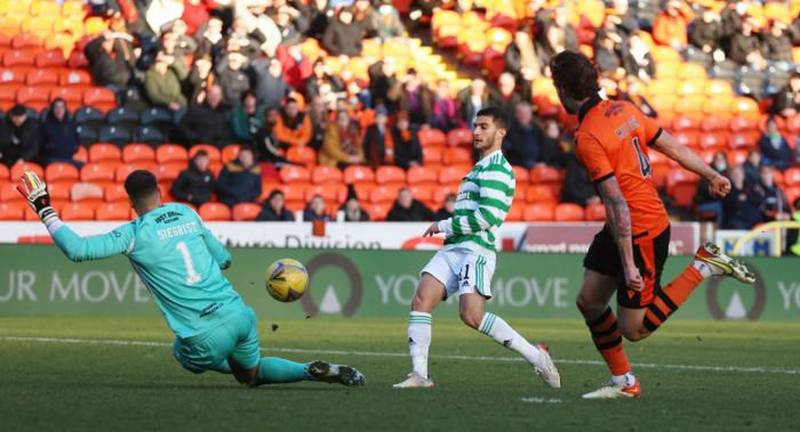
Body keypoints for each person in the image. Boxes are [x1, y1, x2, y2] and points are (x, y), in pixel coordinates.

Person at [16, 169, 365, 388]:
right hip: (240, 315)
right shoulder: (187, 212)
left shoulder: (134, 233)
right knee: (251, 374)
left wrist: (45, 209)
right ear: (160, 192)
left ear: (130, 203)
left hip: (201, 336)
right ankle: (309, 370)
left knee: (180, 354)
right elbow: (225, 260)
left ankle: (249, 361)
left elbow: (77, 250)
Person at [550, 51, 754, 399]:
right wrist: (711, 174)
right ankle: (624, 382)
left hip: (640, 228)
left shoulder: (587, 136)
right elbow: (671, 146)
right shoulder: (625, 109)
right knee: (589, 301)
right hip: (624, 225)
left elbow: (615, 201)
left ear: (565, 89)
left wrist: (628, 262)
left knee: (634, 329)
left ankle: (702, 266)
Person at [393, 107, 560, 389]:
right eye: (475, 126)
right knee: (421, 299)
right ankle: (420, 375)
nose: (476, 132)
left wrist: (444, 224)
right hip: (453, 249)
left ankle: (536, 356)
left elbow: (487, 218)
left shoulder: (497, 169)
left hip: (476, 250)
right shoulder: (479, 167)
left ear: (501, 132)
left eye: (484, 126)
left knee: (471, 315)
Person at [39, 99, 81, 167]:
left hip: (68, 159)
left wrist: (73, 148)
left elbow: (77, 142)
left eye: (62, 107)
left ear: (65, 109)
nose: (59, 110)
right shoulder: (45, 126)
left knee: (83, 167)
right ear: (53, 109)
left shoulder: (71, 125)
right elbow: (41, 146)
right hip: (51, 159)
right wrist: (51, 148)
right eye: (57, 107)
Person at [503, 102, 545, 169]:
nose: (524, 116)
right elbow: (509, 154)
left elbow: (544, 148)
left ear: (531, 114)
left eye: (527, 113)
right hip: (519, 166)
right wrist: (527, 164)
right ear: (516, 114)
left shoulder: (537, 129)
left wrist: (542, 162)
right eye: (521, 113)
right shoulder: (509, 130)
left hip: (537, 166)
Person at [723, 165, 764, 229]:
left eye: (739, 173)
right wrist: (740, 199)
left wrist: (746, 198)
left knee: (765, 229)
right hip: (738, 221)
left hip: (754, 220)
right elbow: (730, 203)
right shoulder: (728, 190)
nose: (737, 176)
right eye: (734, 174)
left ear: (743, 175)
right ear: (731, 176)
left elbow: (759, 199)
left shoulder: (751, 186)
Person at [694, 151, 728, 226]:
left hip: (722, 202)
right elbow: (705, 191)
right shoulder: (707, 173)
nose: (720, 162)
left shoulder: (728, 173)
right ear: (714, 160)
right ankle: (720, 231)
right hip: (706, 203)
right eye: (718, 159)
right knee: (721, 207)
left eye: (722, 159)